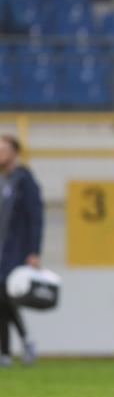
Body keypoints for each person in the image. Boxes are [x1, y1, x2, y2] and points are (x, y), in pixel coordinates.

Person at [0, 135, 43, 366]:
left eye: (4, 149)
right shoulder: (2, 181)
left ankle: (8, 352)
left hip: (15, 251)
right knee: (4, 300)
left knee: (5, 298)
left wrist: (34, 251)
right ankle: (18, 347)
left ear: (15, 152)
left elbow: (35, 217)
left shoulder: (24, 180)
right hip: (0, 249)